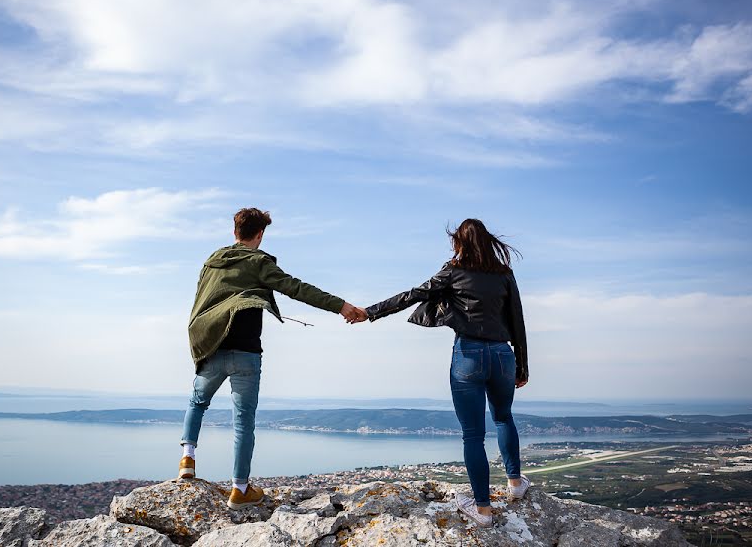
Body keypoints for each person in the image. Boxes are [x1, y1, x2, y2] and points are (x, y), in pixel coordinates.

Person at [179, 207, 366, 509]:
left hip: (212, 345)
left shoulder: (212, 262)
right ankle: (240, 489)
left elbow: (201, 302)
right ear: (261, 234)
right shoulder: (258, 262)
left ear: (234, 231)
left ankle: (187, 458)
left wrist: (199, 340)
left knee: (197, 402)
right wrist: (341, 306)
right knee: (243, 422)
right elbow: (297, 288)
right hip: (246, 353)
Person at [361, 218, 529, 527]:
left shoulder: (454, 271)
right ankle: (516, 484)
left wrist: (370, 311)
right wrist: (522, 364)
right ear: (489, 241)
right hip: (503, 354)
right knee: (504, 417)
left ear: (460, 243)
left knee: (473, 434)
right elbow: (517, 320)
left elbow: (414, 294)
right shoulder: (505, 274)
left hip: (469, 354)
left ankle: (482, 510)